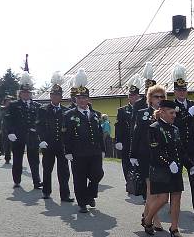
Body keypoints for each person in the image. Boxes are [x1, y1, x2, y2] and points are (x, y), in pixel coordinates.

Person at [142, 99, 194, 237]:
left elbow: (180, 150)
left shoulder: (175, 129)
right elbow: (155, 151)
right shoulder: (154, 127)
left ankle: (174, 227)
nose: (174, 115)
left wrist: (190, 165)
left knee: (176, 198)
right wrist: (168, 162)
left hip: (176, 169)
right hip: (161, 169)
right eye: (171, 113)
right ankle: (147, 220)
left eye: (175, 113)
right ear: (162, 112)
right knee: (163, 199)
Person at [63, 69, 105, 213]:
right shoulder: (69, 115)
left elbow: (100, 133)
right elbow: (66, 134)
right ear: (75, 99)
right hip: (78, 153)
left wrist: (103, 149)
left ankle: (90, 194)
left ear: (88, 99)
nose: (82, 100)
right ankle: (82, 203)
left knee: (98, 174)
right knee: (79, 178)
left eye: (84, 97)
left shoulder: (95, 115)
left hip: (94, 151)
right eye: (79, 98)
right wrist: (67, 151)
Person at [170, 63, 194, 217]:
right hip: (177, 147)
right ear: (174, 91)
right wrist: (188, 115)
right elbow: (175, 124)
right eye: (179, 90)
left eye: (184, 89)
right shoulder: (171, 106)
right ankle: (174, 207)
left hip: (191, 146)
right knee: (176, 178)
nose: (182, 92)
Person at [130, 83, 165, 229]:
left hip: (162, 156)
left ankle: (146, 215)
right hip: (146, 155)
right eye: (156, 97)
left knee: (159, 190)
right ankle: (154, 220)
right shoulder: (142, 113)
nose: (159, 99)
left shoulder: (166, 112)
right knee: (152, 190)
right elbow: (136, 135)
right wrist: (133, 154)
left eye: (162, 97)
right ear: (150, 99)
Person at [38, 72, 73, 202]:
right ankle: (46, 191)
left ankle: (65, 195)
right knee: (47, 168)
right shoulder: (43, 109)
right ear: (50, 96)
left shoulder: (66, 111)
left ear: (61, 97)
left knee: (64, 171)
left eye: (58, 95)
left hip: (62, 145)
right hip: (48, 144)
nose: (56, 97)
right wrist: (41, 140)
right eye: (54, 95)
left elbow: (69, 130)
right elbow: (39, 126)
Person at [6, 73, 42, 189]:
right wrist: (10, 132)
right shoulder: (13, 105)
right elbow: (8, 119)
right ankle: (17, 180)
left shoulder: (37, 105)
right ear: (20, 94)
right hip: (18, 135)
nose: (26, 94)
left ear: (31, 94)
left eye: (28, 93)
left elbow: (39, 121)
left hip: (32, 135)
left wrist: (38, 131)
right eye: (24, 92)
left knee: (34, 160)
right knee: (17, 158)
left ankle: (37, 181)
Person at [127, 62, 156, 201]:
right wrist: (134, 151)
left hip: (158, 145)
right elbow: (135, 127)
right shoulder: (139, 105)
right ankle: (147, 198)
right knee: (145, 175)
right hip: (143, 145)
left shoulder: (160, 103)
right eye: (147, 88)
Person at [115, 75, 142, 190]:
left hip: (139, 141)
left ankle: (139, 183)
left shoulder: (142, 109)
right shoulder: (122, 110)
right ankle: (130, 183)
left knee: (139, 163)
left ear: (138, 96)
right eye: (131, 95)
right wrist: (118, 140)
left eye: (135, 95)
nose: (133, 97)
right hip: (126, 141)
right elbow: (119, 126)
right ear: (128, 97)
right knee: (126, 163)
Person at [0, 95, 14, 164]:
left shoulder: (15, 108)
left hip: (15, 129)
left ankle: (16, 157)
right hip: (5, 128)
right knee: (6, 144)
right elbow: (2, 117)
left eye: (10, 101)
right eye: (7, 101)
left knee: (14, 144)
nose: (9, 102)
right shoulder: (2, 109)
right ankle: (7, 158)